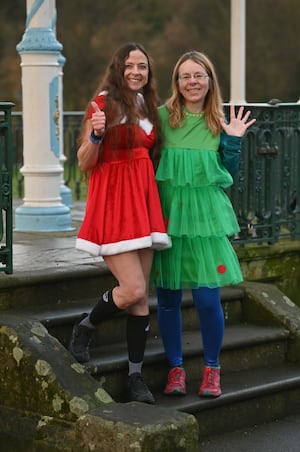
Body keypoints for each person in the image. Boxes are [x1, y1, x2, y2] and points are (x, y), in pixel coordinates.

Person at [69, 42, 170, 405]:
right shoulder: (103, 103)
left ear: (148, 72)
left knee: (142, 297)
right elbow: (83, 161)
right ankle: (86, 325)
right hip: (114, 204)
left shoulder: (147, 106)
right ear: (118, 68)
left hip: (142, 205)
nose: (136, 72)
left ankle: (135, 376)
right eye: (129, 66)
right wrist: (96, 134)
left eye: (142, 66)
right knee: (133, 290)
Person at [151, 51, 256, 398]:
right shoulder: (162, 118)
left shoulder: (220, 121)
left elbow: (227, 175)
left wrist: (234, 141)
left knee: (208, 299)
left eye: (199, 75)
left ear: (210, 80)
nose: (192, 82)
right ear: (177, 83)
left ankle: (212, 369)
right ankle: (176, 369)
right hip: (168, 218)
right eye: (185, 76)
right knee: (166, 299)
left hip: (206, 221)